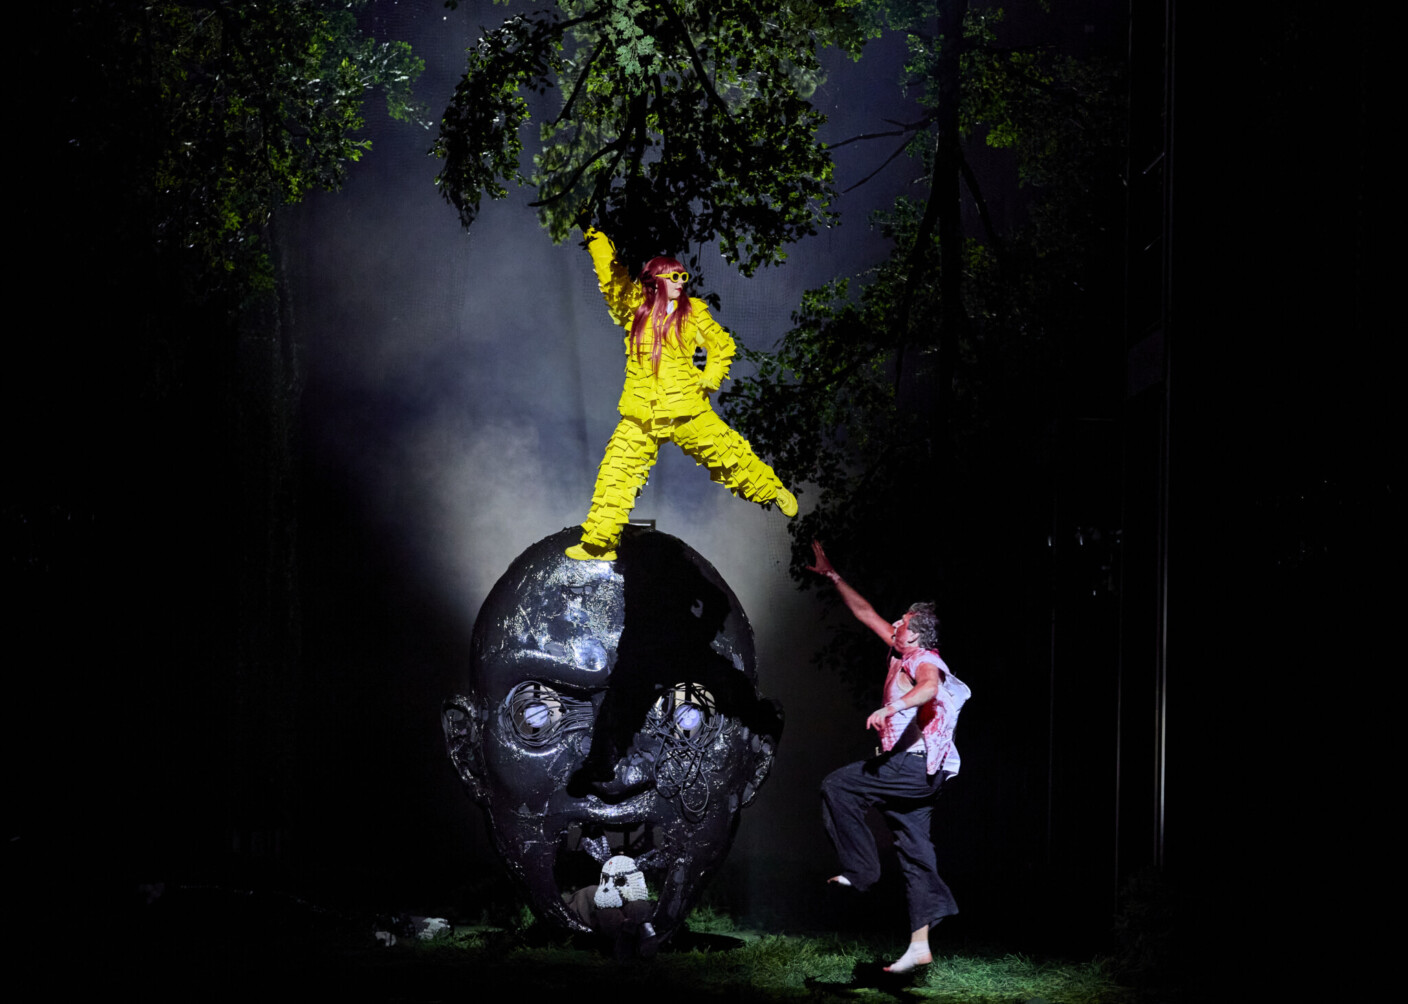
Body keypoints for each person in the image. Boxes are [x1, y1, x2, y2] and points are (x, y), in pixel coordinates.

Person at [565, 226, 797, 561]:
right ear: (656, 279)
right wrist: (596, 239)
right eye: (674, 276)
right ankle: (600, 544)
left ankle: (772, 489)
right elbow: (612, 282)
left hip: (687, 408)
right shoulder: (636, 308)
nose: (681, 282)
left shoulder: (694, 313)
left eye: (683, 276)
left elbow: (722, 346)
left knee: (726, 451)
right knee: (617, 471)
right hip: (641, 412)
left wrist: (709, 380)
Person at [808, 540, 972, 974]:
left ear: (914, 634)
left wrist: (891, 707)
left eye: (901, 622)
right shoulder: (902, 649)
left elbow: (930, 688)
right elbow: (865, 614)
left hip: (910, 768)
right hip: (924, 777)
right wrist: (833, 576)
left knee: (837, 785)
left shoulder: (923, 660)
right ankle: (919, 945)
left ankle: (861, 870)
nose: (894, 624)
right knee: (915, 852)